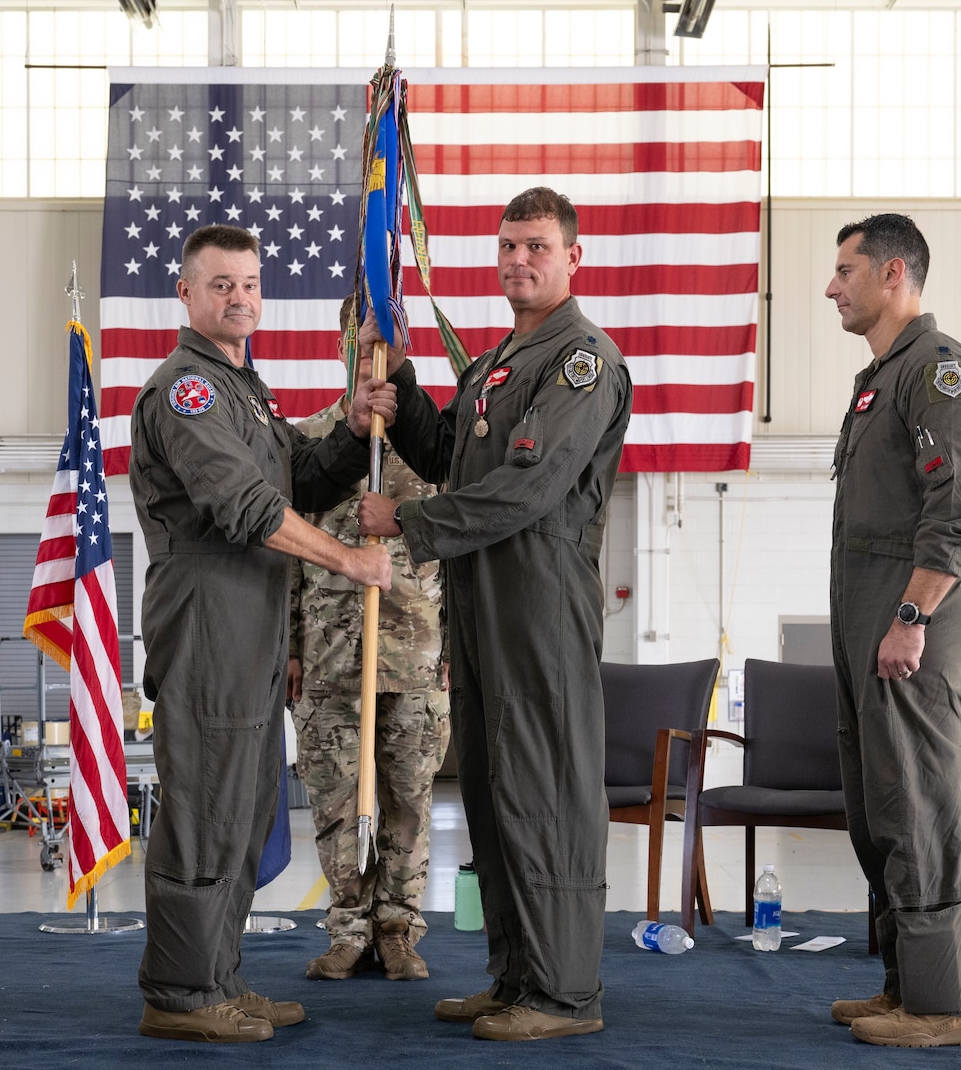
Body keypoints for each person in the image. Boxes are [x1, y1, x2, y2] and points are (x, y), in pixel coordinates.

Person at [357, 186, 632, 1042]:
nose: (518, 260)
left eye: (537, 247)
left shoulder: (580, 359)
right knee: (492, 791)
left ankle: (563, 994)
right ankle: (516, 977)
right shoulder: (495, 363)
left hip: (539, 604)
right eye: (508, 245)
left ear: (573, 258)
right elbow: (447, 456)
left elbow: (526, 488)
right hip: (480, 600)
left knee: (544, 792)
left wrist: (403, 520)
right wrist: (398, 373)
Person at [129, 224, 395, 1045]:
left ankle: (216, 978)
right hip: (208, 622)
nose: (239, 297)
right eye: (221, 284)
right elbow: (244, 508)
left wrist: (352, 433)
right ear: (185, 293)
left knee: (242, 811)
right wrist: (348, 561)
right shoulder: (189, 391)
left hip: (249, 629)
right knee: (206, 808)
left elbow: (299, 481)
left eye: (249, 283)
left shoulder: (247, 390)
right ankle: (178, 992)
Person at [824, 213, 961, 1048]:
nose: (831, 286)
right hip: (871, 619)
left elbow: (959, 512)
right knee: (879, 807)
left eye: (845, 271)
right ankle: (906, 986)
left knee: (921, 804)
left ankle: (945, 1006)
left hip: (908, 621)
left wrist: (910, 617)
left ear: (893, 274)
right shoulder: (882, 379)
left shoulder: (938, 370)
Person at [287, 294, 451, 984]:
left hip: (414, 660)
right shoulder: (310, 440)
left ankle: (398, 931)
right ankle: (348, 929)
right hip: (329, 660)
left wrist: (459, 652)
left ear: (406, 346)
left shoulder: (434, 439)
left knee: (410, 806)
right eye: (364, 339)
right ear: (342, 345)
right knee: (334, 808)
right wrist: (290, 648)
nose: (374, 351)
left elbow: (468, 549)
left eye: (388, 339)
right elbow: (283, 557)